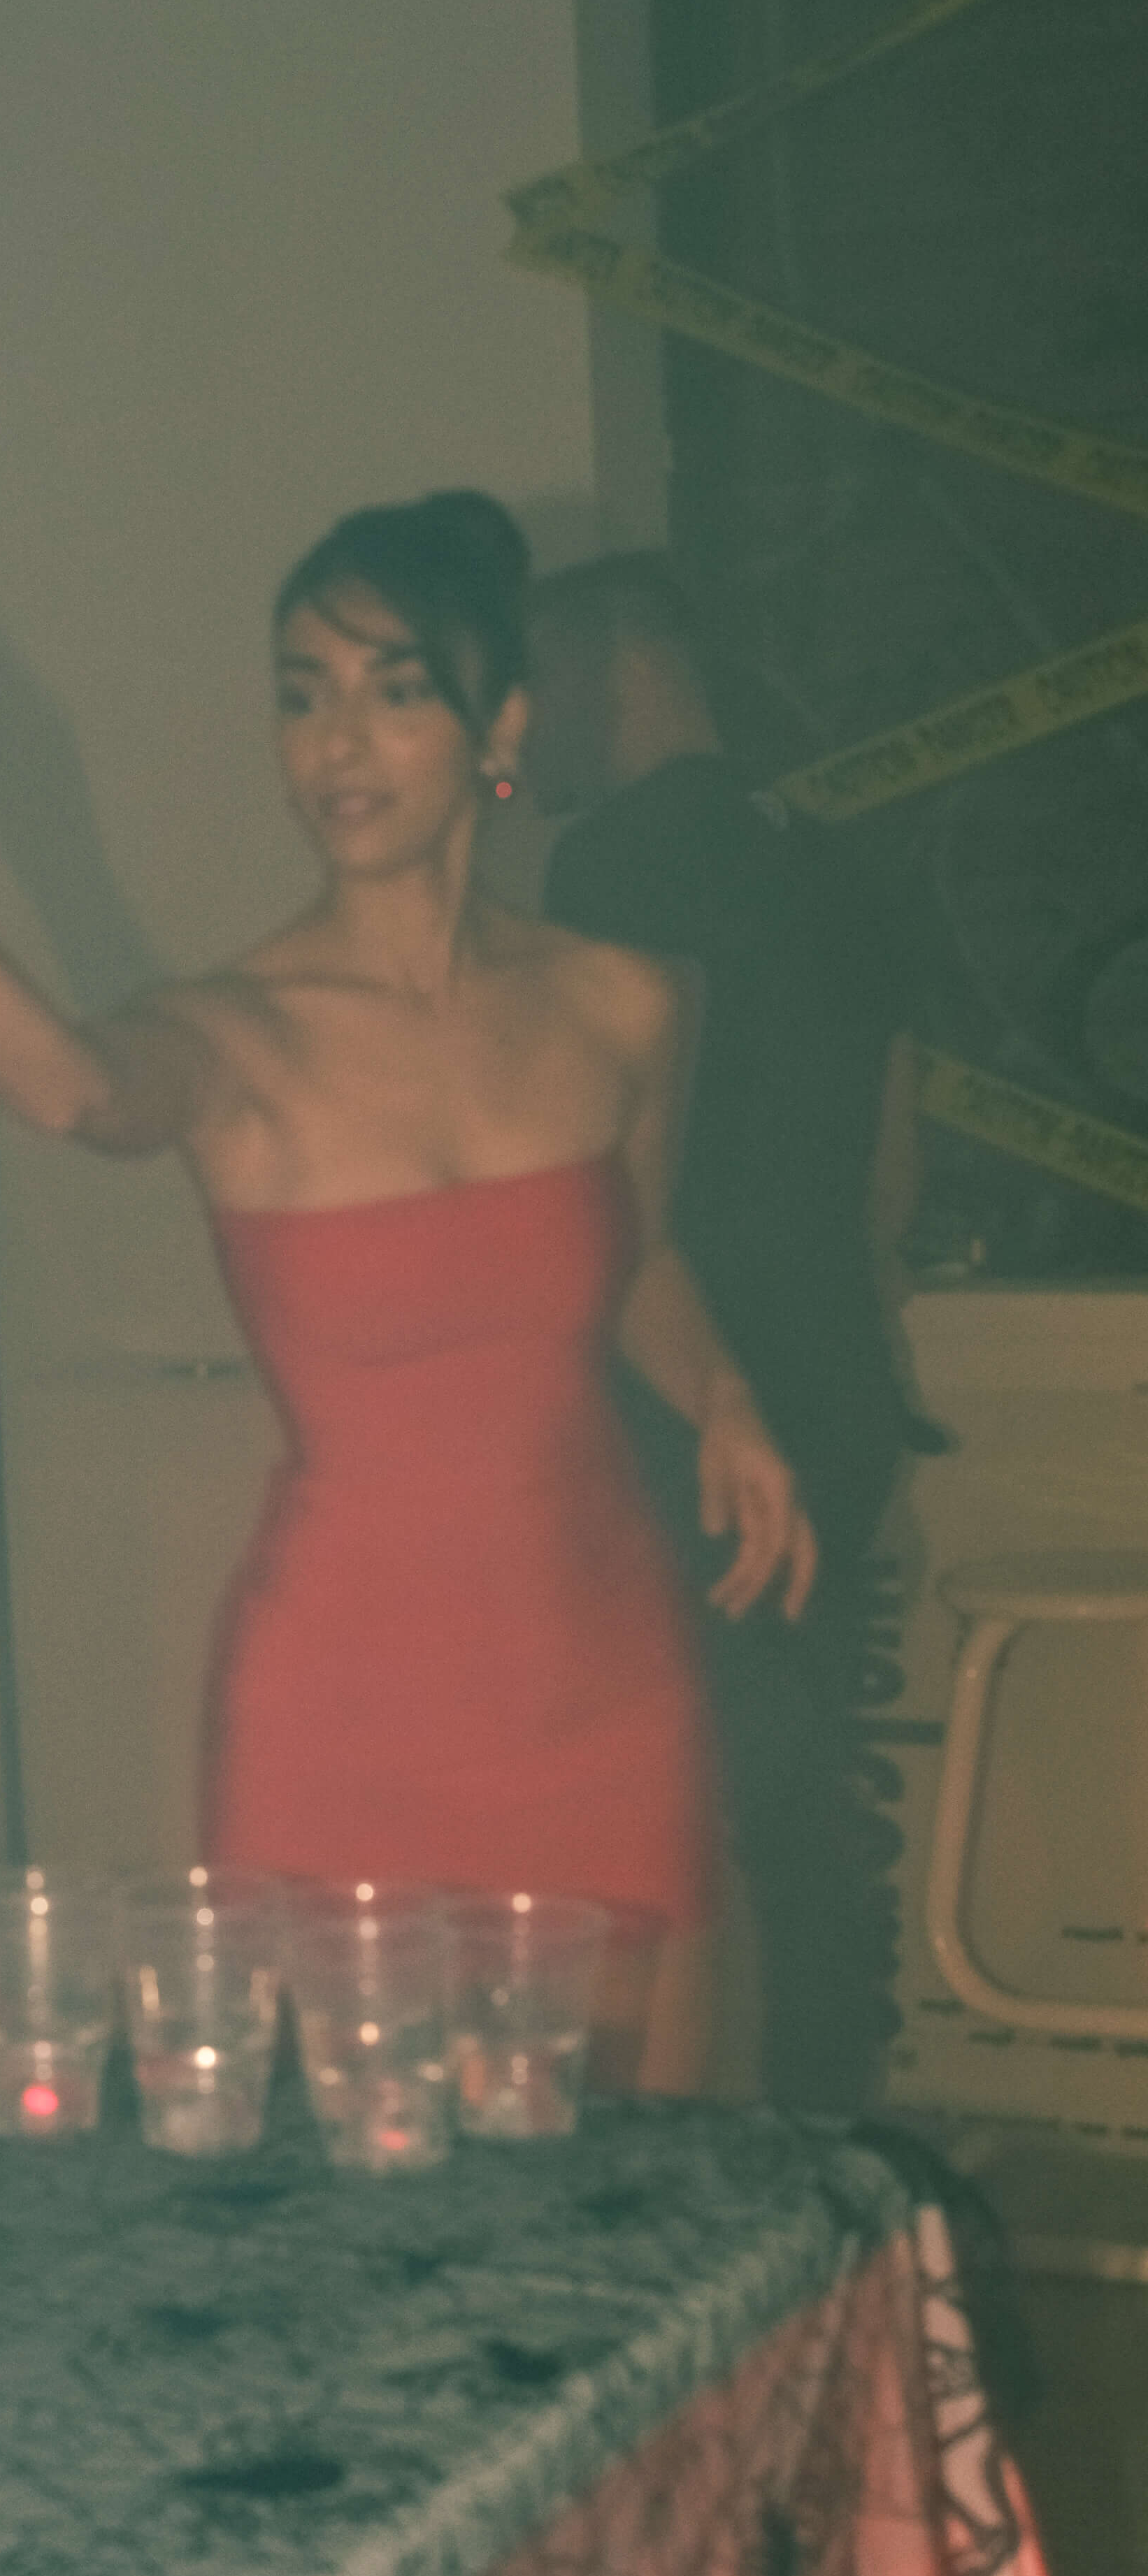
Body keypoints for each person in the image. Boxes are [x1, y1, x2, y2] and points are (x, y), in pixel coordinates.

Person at [0, 491, 815, 2092]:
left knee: (638, 2199)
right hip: (341, 1712)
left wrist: (721, 1393)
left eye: (395, 690)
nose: (337, 743)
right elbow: (71, 1089)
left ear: (498, 726)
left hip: (599, 1681)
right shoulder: (234, 1034)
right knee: (353, 2203)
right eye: (301, 694)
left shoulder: (624, 1004)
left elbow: (634, 1255)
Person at [524, 551, 916, 2108]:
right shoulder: (834, 862)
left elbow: (615, 1174)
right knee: (799, 1789)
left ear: (624, 663)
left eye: (543, 675)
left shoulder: (614, 867)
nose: (520, 721)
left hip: (684, 1390)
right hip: (833, 1371)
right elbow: (891, 1156)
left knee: (667, 1785)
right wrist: (857, 1345)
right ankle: (831, 2122)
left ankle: (686, 2143)